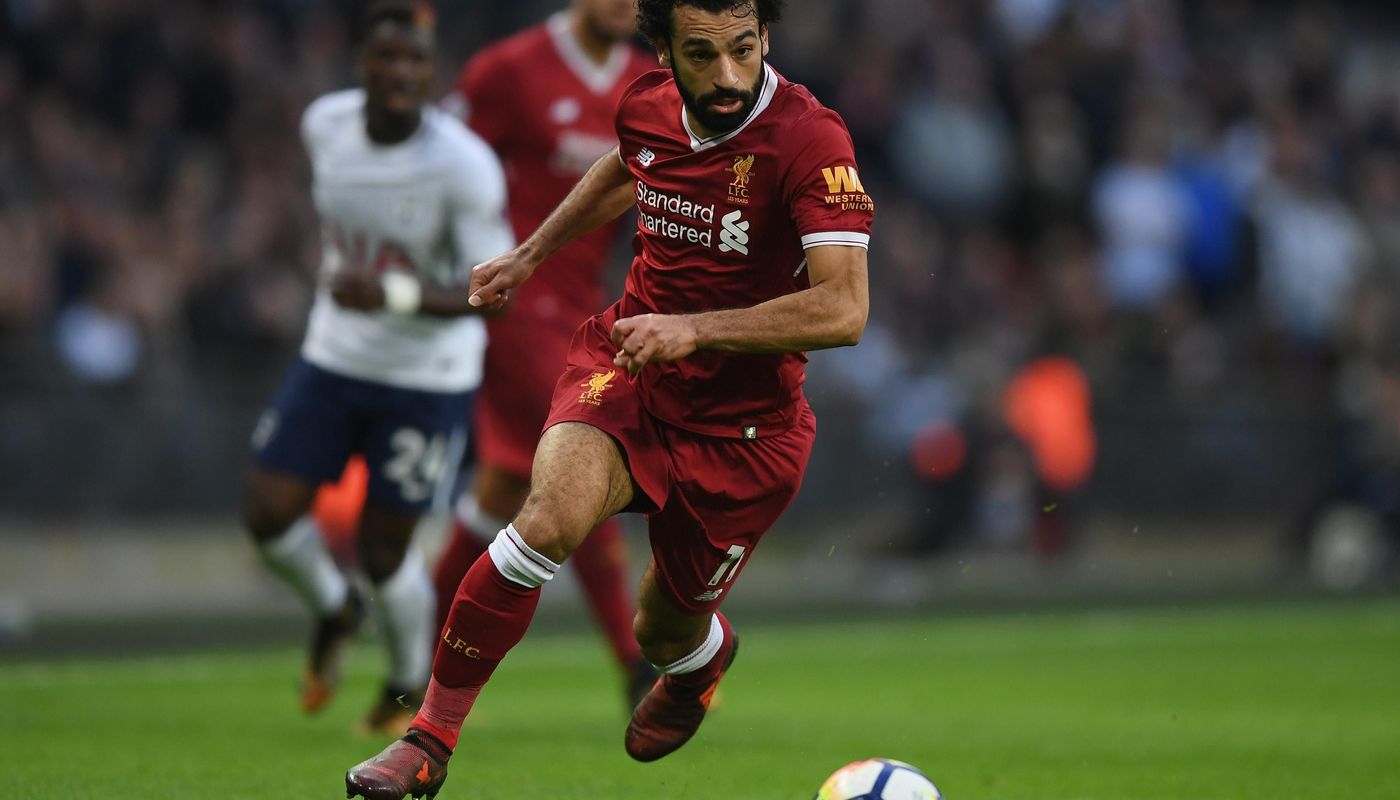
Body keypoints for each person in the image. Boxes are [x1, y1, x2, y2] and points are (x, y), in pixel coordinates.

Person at [347, 0, 872, 795]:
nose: (727, 76)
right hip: (629, 369)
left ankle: (700, 661)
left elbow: (845, 308)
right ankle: (427, 742)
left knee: (662, 628)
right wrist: (528, 256)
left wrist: (695, 329)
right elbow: (624, 169)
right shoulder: (645, 106)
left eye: (743, 49)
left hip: (746, 431)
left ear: (766, 37)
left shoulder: (810, 139)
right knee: (545, 521)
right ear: (663, 52)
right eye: (702, 55)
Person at [242, 0, 512, 736]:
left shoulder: (463, 165)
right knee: (266, 512)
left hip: (427, 376)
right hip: (335, 355)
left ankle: (404, 687)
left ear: (432, 72)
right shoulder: (323, 126)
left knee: (384, 548)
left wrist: (391, 293)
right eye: (387, 57)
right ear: (361, 62)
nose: (400, 72)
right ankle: (335, 609)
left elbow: (497, 291)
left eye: (415, 61)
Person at [432, 0, 659, 707]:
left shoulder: (650, 81)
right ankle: (636, 666)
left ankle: (414, 660)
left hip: (585, 305)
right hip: (515, 305)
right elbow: (438, 168)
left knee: (503, 490)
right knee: (582, 461)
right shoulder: (508, 70)